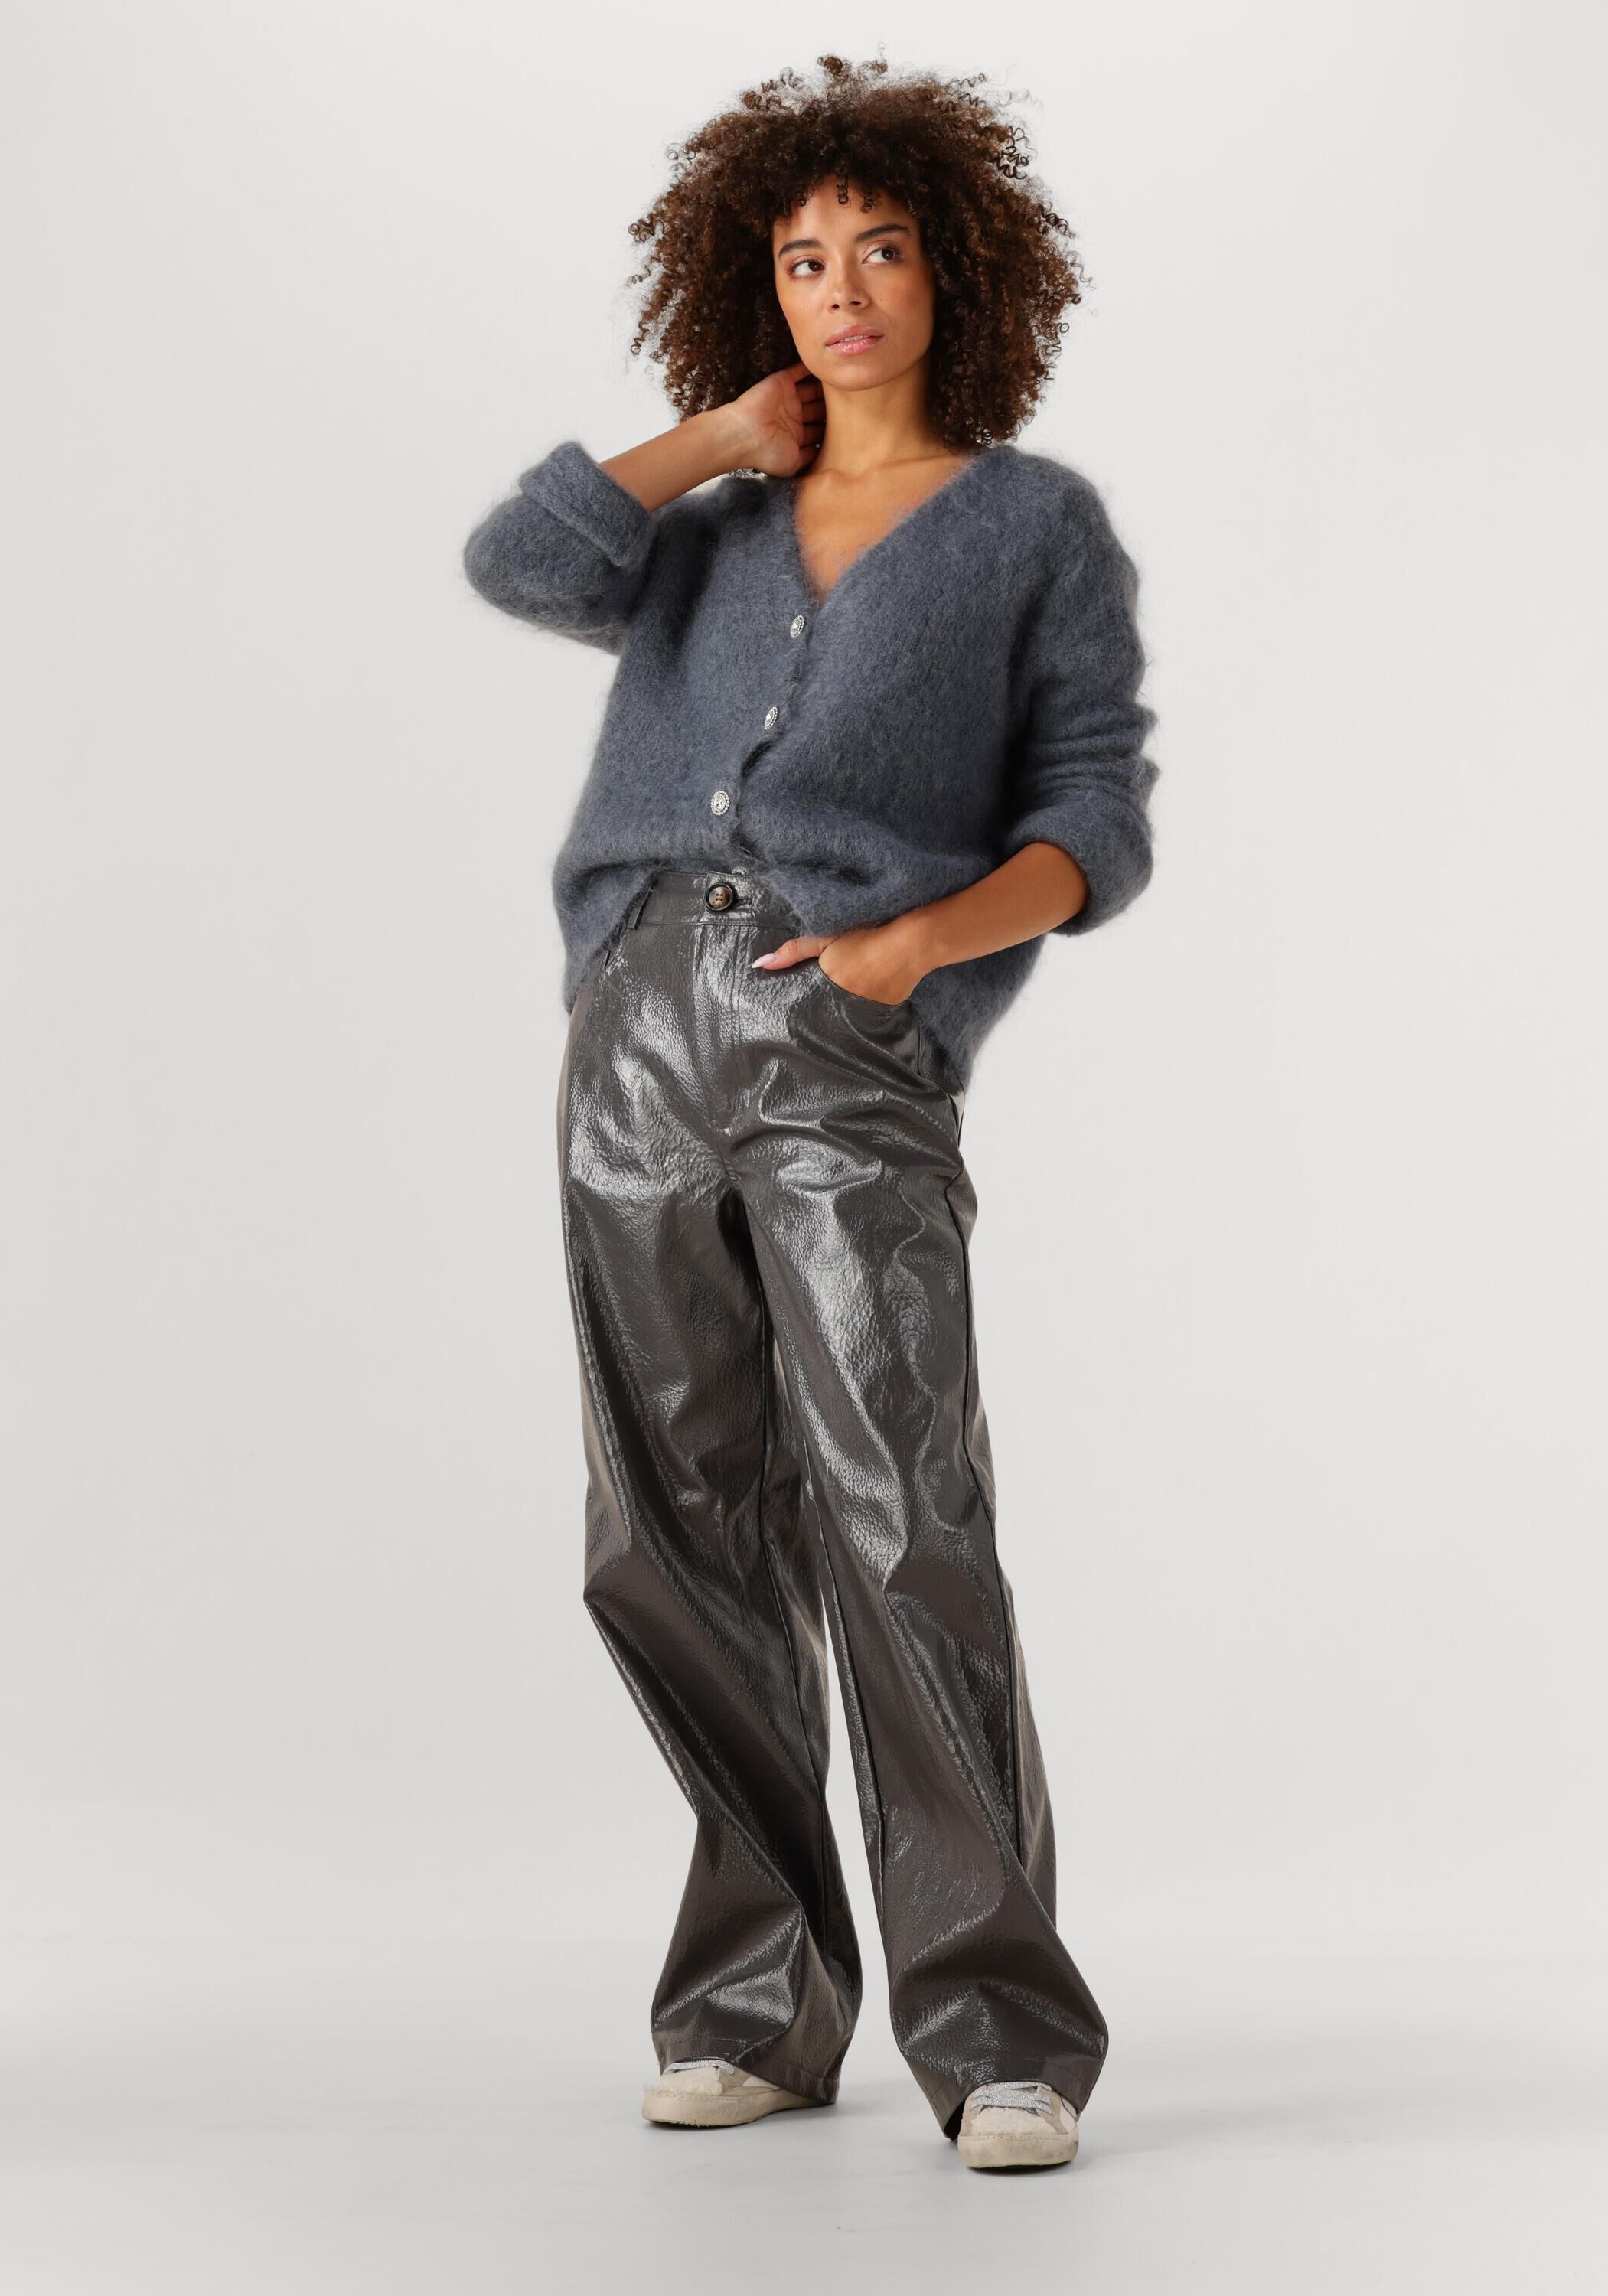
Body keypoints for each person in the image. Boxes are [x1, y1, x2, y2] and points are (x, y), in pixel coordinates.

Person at [461, 55, 1160, 2174]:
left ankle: (1001, 2028)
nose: (843, 290)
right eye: (801, 258)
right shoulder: (710, 529)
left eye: (881, 250)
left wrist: (914, 947)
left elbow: (1096, 818)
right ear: (756, 286)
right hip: (636, 1026)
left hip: (849, 1037)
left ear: (959, 275)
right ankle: (758, 2004)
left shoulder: (1031, 527)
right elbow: (519, 556)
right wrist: (713, 436)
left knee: (901, 1513)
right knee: (670, 1531)